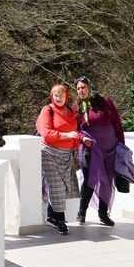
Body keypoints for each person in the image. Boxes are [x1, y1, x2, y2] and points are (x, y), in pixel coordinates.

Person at [74, 76, 124, 226]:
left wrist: (121, 146)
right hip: (90, 147)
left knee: (107, 180)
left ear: (90, 87)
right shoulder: (77, 107)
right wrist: (83, 138)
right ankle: (82, 211)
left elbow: (117, 125)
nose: (80, 91)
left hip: (109, 148)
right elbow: (75, 129)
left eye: (83, 87)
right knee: (90, 177)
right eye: (78, 89)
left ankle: (103, 213)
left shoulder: (105, 102)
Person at [36, 83, 81, 234]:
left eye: (61, 95)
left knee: (63, 187)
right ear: (52, 96)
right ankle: (61, 221)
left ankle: (53, 216)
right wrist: (67, 136)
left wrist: (78, 145)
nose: (59, 98)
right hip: (48, 153)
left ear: (66, 96)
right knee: (56, 186)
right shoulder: (47, 110)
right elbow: (46, 133)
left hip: (66, 155)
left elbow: (75, 131)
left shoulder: (70, 112)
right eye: (56, 95)